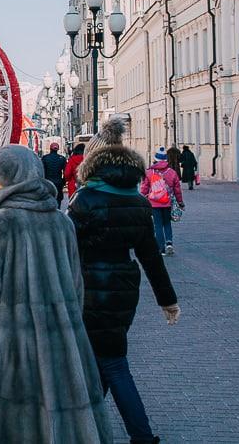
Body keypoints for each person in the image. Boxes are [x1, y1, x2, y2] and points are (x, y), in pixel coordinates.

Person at [0, 145, 111, 444]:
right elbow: (76, 284)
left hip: (6, 344)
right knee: (55, 415)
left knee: (2, 425)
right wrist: (67, 325)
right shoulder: (62, 222)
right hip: (61, 341)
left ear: (3, 175)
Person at [69, 118, 180, 444]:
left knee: (112, 364)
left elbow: (66, 247)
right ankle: (87, 423)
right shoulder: (138, 201)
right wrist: (167, 299)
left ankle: (141, 436)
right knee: (105, 358)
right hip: (124, 289)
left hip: (90, 288)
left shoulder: (85, 200)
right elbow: (150, 256)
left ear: (92, 163)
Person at [140, 147, 184, 256]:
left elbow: (144, 188)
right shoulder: (172, 172)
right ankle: (169, 243)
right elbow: (177, 190)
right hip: (168, 202)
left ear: (155, 159)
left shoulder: (150, 172)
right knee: (167, 223)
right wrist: (180, 202)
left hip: (154, 203)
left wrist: (143, 198)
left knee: (158, 225)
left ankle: (161, 248)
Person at [41, 142, 67, 208]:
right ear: (57, 149)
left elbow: (41, 171)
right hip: (58, 182)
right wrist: (63, 181)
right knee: (58, 199)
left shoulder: (45, 158)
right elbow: (65, 172)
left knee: (47, 198)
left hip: (47, 182)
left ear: (50, 149)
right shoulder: (62, 159)